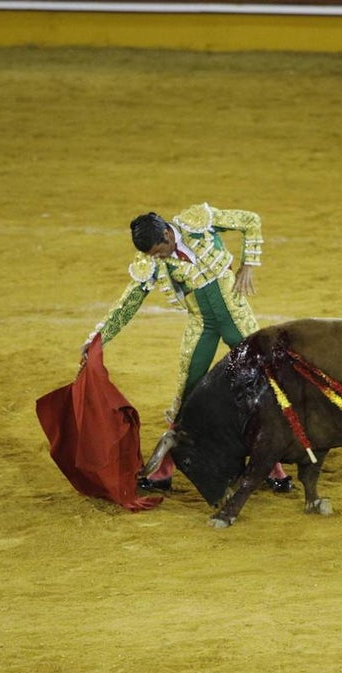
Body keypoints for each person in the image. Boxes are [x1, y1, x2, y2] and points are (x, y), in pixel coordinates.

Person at [81, 202, 292, 493]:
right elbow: (129, 302)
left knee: (261, 384)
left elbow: (250, 220)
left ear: (168, 234)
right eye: (152, 256)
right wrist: (98, 338)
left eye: (159, 251)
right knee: (186, 394)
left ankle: (272, 464)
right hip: (201, 325)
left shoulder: (197, 222)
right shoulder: (153, 260)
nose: (157, 259)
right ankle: (164, 470)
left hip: (237, 317)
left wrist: (248, 264)